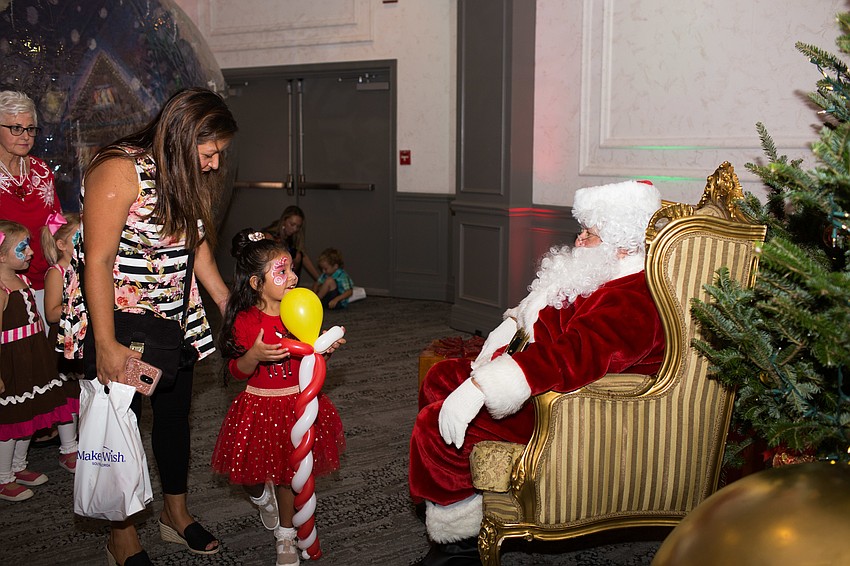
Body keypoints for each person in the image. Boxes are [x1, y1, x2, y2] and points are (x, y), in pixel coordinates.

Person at [409, 180, 666, 565]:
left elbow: (572, 356)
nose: (578, 241)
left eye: (590, 235)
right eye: (581, 231)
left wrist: (483, 386)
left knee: (433, 427)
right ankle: (463, 492)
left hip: (570, 409)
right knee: (442, 377)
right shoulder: (601, 277)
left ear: (624, 245)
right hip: (540, 383)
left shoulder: (633, 298)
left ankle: (457, 547)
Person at [62, 88, 236, 566]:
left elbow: (195, 241)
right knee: (122, 423)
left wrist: (225, 300)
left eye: (219, 154)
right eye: (209, 153)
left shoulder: (182, 173)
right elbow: (95, 260)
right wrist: (105, 344)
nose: (216, 164)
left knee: (175, 416)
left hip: (174, 319)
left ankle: (174, 513)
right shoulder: (119, 168)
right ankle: (121, 534)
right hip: (121, 322)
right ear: (183, 138)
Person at [211, 229, 345, 566]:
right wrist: (254, 354)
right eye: (281, 272)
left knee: (288, 475)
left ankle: (286, 536)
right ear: (257, 283)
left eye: (290, 269)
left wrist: (322, 352)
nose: (293, 277)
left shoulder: (298, 310)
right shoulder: (245, 320)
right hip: (257, 406)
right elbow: (236, 371)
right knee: (252, 476)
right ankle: (260, 498)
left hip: (294, 405)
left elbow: (307, 360)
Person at [0, 220, 78, 501]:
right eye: (23, 248)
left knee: (29, 414)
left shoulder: (21, 280)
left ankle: (18, 467)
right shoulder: (1, 290)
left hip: (32, 354)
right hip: (12, 361)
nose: (31, 252)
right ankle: (2, 477)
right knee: (11, 420)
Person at [0, 90, 63, 327]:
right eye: (16, 128)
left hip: (46, 279)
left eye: (30, 129)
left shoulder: (41, 169)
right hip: (6, 284)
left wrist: (62, 257)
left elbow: (55, 218)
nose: (25, 136)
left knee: (40, 356)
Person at [39, 211, 83, 473]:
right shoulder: (56, 273)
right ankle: (68, 449)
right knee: (66, 395)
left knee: (84, 391)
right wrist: (77, 305)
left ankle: (86, 444)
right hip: (63, 338)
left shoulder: (85, 266)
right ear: (61, 244)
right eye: (79, 235)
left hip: (82, 336)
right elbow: (52, 313)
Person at [264, 205, 320, 282]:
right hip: (271, 274)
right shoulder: (270, 235)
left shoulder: (294, 237)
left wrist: (319, 279)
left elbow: (303, 255)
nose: (295, 229)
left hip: (288, 274)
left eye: (298, 226)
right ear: (284, 220)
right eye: (292, 224)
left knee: (298, 255)